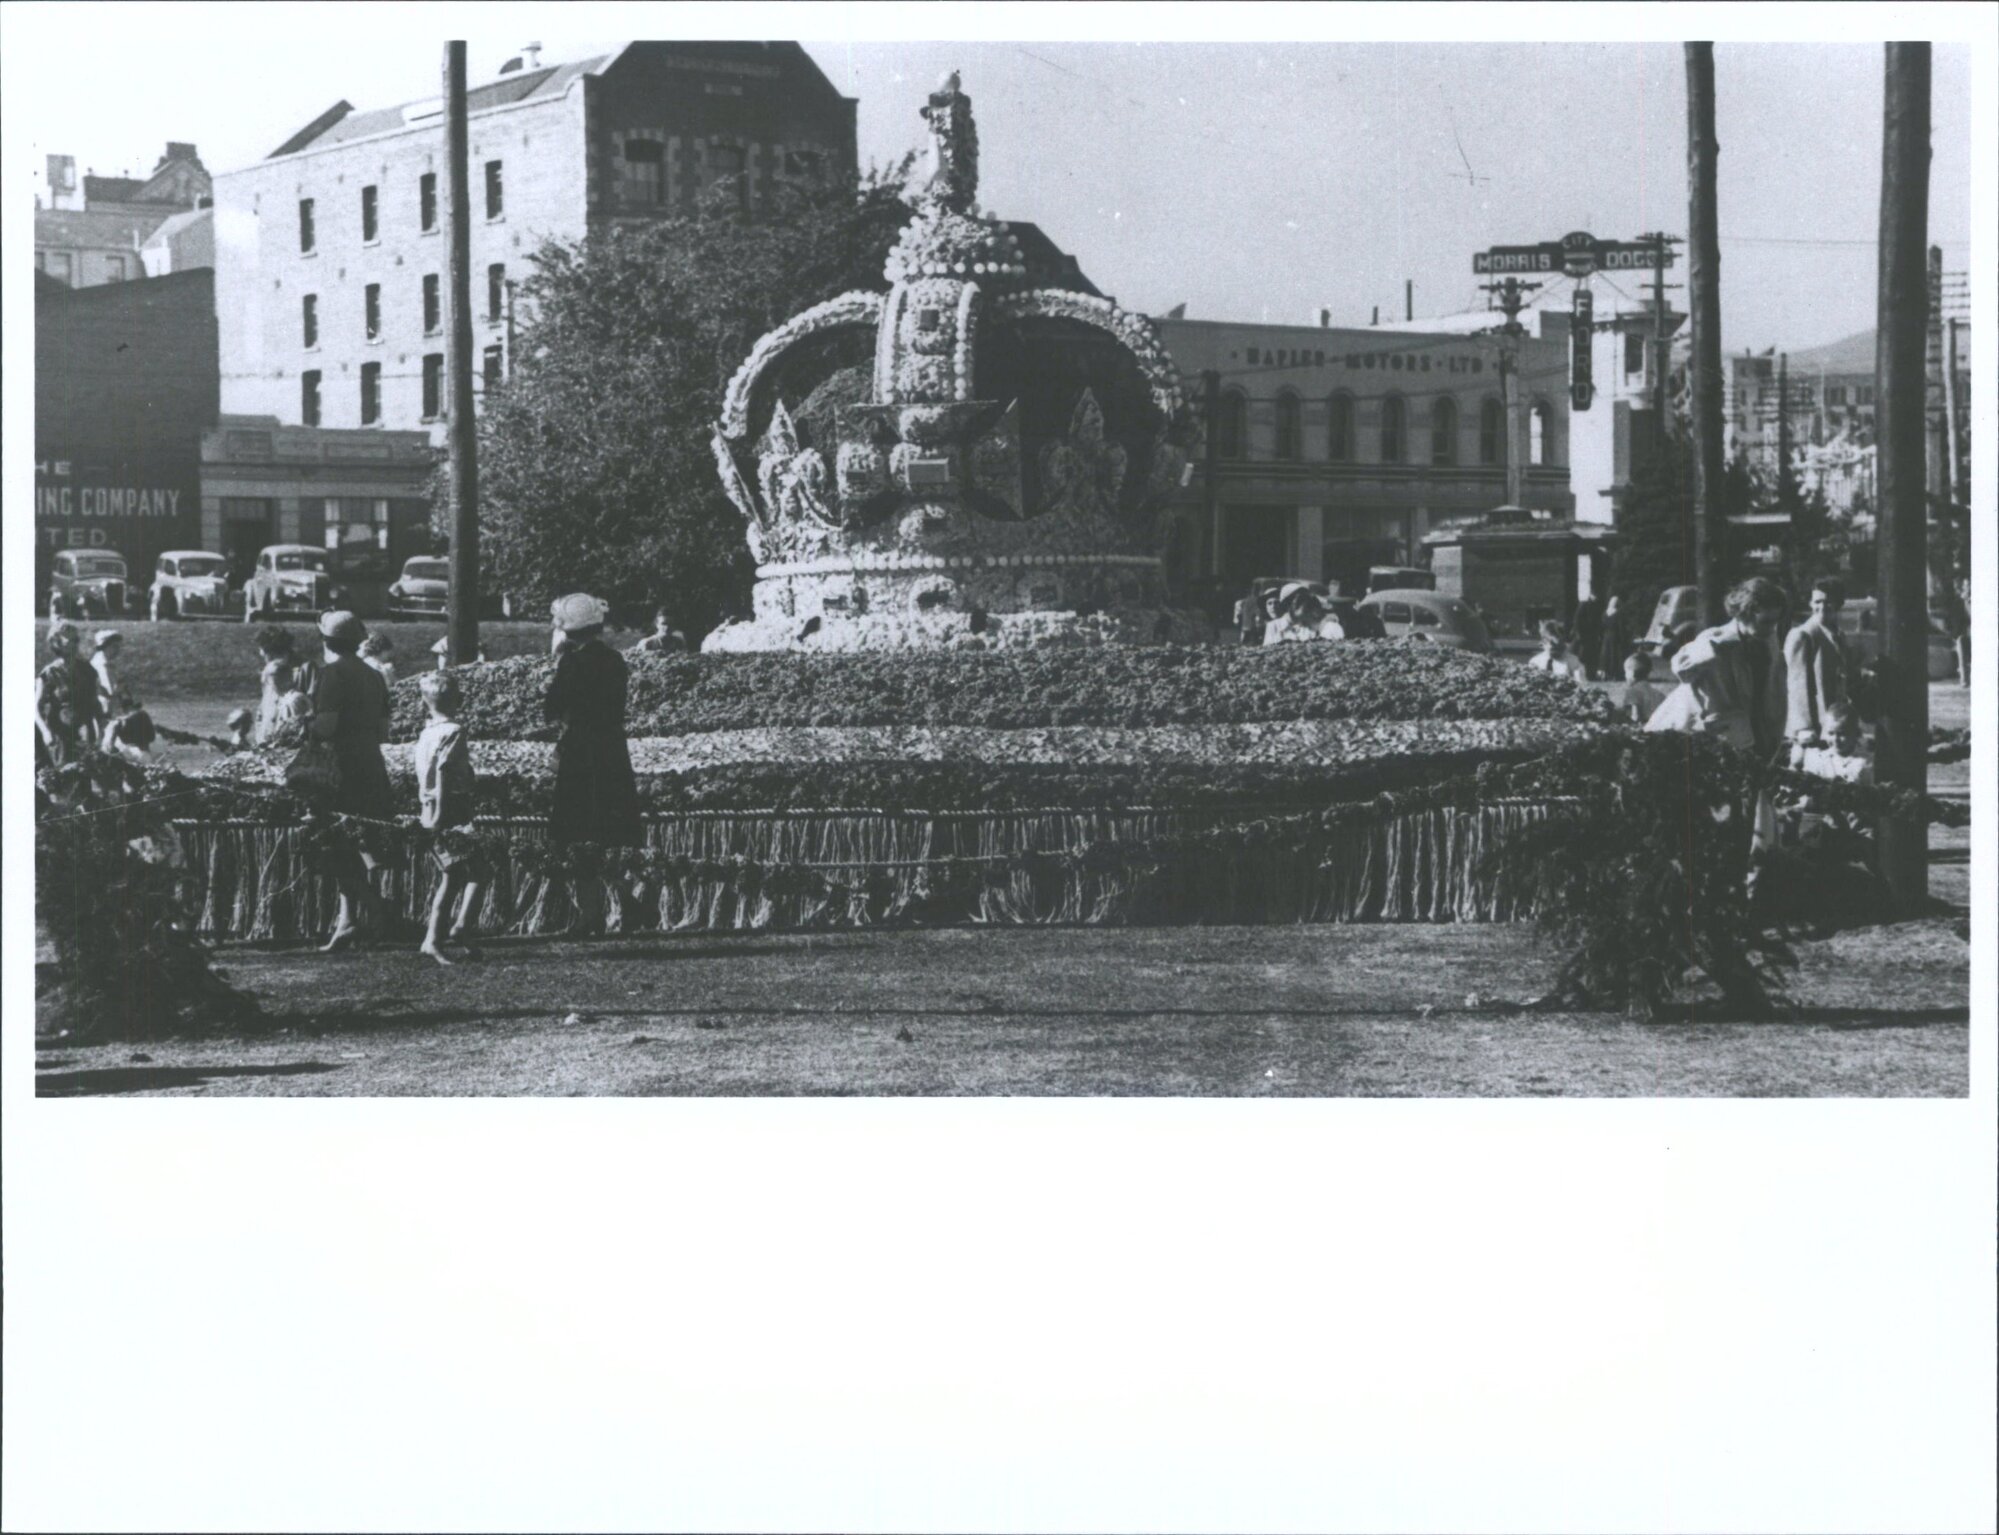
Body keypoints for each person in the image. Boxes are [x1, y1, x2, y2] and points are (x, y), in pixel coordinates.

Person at [544, 593, 645, 934]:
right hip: (612, 750)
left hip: (580, 752)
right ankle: (626, 903)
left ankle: (590, 912)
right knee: (614, 828)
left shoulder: (571, 662)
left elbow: (553, 707)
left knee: (579, 828)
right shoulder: (614, 660)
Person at [309, 611, 396, 952]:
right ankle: (349, 920)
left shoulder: (332, 674)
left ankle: (374, 909)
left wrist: (305, 726)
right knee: (357, 842)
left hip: (341, 767)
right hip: (370, 763)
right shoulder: (374, 676)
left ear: (327, 641)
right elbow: (384, 730)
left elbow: (326, 726)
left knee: (334, 843)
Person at [412, 671, 487, 966]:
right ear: (460, 699)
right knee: (480, 870)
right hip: (450, 809)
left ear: (424, 702)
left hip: (428, 807)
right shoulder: (455, 731)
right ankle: (459, 927)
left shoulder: (426, 734)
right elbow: (444, 772)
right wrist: (443, 815)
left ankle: (435, 937)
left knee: (453, 875)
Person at [34, 622, 103, 770]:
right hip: (60, 734)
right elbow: (36, 708)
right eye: (69, 640)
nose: (74, 644)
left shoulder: (88, 670)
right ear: (56, 642)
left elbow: (95, 702)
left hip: (86, 731)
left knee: (88, 772)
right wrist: (46, 732)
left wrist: (101, 730)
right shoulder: (49, 673)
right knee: (65, 773)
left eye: (76, 640)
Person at [1262, 583, 1343, 645]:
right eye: (1299, 601)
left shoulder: (1308, 627)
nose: (1304, 605)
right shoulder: (1274, 626)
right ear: (1287, 605)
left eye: (1304, 600)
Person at [1619, 648, 1675, 726]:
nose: (1625, 675)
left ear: (1631, 674)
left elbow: (1635, 717)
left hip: (1644, 728)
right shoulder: (1659, 694)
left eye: (1625, 672)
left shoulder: (1632, 692)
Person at [1572, 595, 1605, 681]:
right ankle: (1582, 675)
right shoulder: (1583, 605)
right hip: (1584, 636)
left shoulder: (1596, 606)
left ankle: (1591, 674)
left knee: (1592, 657)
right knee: (1583, 656)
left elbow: (1598, 621)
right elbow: (1577, 620)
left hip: (1592, 636)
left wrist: (1599, 634)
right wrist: (1579, 635)